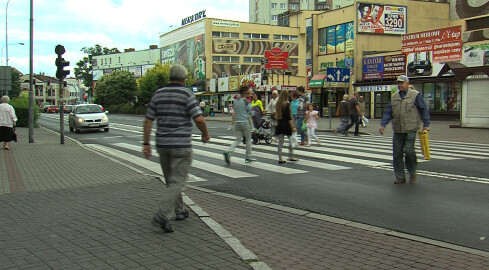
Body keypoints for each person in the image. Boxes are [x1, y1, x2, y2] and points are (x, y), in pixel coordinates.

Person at [142, 65, 210, 233]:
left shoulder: (158, 94)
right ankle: (163, 213)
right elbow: (199, 119)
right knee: (178, 182)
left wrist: (146, 143)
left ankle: (179, 211)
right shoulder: (187, 94)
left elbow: (148, 120)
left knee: (171, 181)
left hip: (163, 144)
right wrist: (205, 134)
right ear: (184, 79)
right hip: (181, 145)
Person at [380, 75, 430, 184]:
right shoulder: (394, 97)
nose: (400, 85)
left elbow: (423, 109)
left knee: (409, 150)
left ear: (407, 83)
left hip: (410, 129)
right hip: (398, 130)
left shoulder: (415, 95)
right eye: (398, 83)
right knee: (397, 154)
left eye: (402, 83)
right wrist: (383, 124)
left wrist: (426, 124)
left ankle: (412, 172)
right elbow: (388, 112)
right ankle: (400, 177)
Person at [223, 86, 256, 164]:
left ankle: (229, 152)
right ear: (245, 93)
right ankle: (248, 157)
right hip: (245, 123)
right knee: (248, 140)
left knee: (238, 140)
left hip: (237, 123)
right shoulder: (247, 102)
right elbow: (251, 113)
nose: (250, 94)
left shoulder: (235, 101)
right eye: (248, 92)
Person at [275, 90, 298, 164]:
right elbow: (288, 117)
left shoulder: (278, 103)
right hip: (286, 125)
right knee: (291, 140)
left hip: (279, 124)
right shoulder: (287, 104)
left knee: (280, 142)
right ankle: (291, 156)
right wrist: (293, 127)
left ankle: (280, 158)